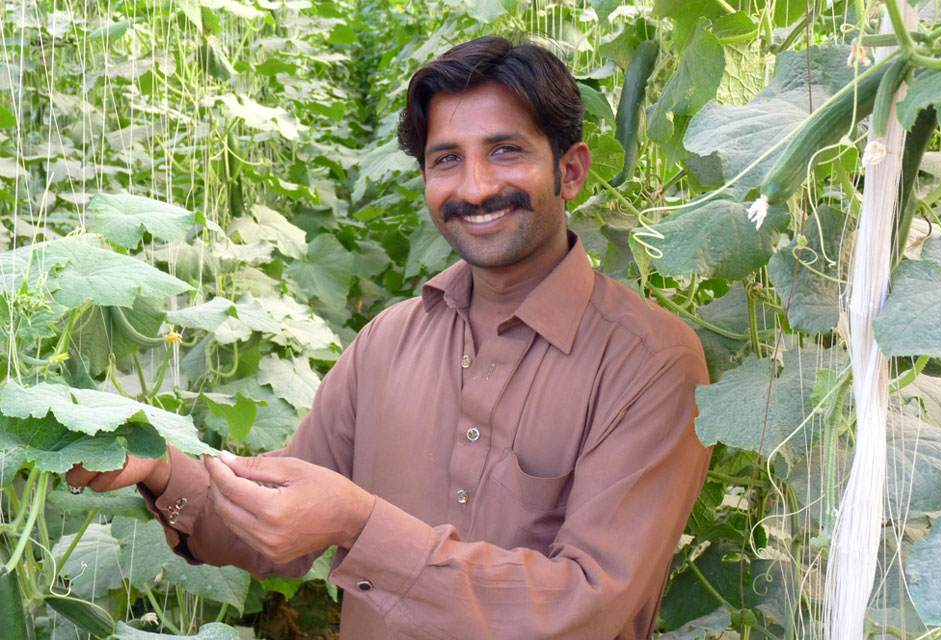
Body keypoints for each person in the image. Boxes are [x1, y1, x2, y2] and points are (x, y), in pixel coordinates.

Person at [68, 36, 711, 640]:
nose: (476, 187)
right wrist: (156, 465)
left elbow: (588, 606)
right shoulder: (387, 341)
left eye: (506, 151)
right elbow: (268, 523)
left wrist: (358, 523)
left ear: (570, 172)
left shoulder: (652, 362)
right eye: (446, 160)